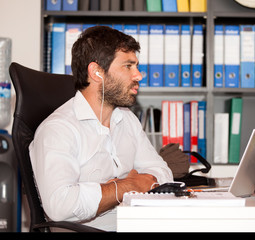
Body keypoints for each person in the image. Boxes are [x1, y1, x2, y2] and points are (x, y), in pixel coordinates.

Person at [29, 26, 173, 231]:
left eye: (137, 66)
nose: (138, 75)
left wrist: (115, 190)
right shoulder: (58, 129)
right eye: (128, 66)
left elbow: (162, 173)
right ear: (96, 72)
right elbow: (60, 206)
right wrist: (125, 187)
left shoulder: (127, 119)